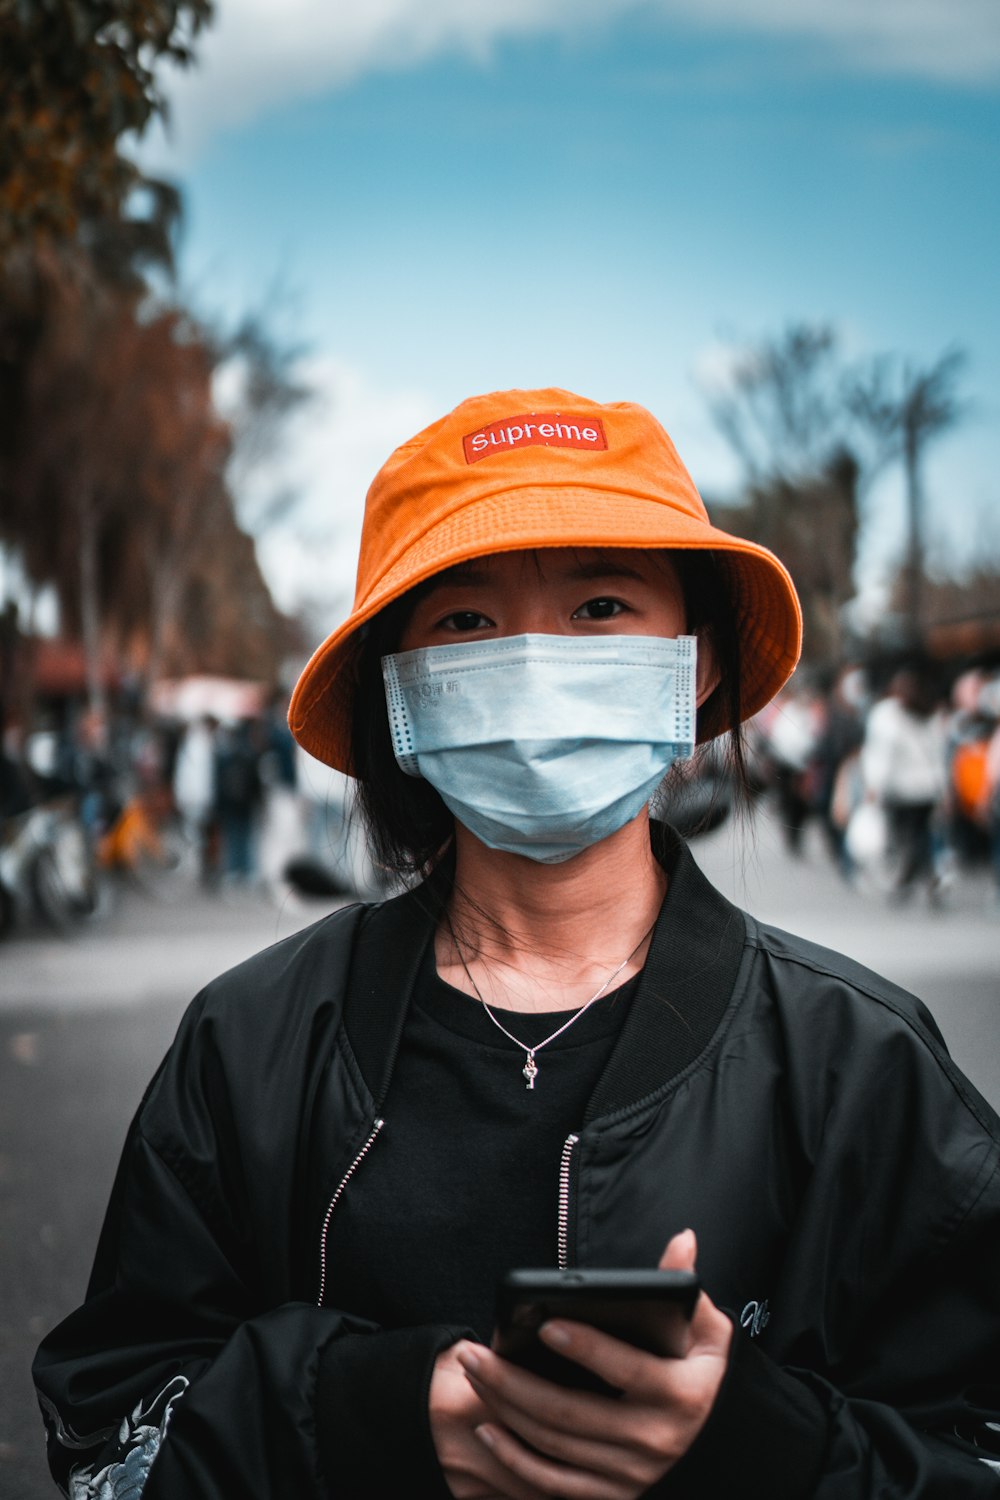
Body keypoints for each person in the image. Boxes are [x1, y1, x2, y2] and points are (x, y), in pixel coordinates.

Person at [33, 388, 1000, 1499]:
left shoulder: (857, 1063)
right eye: (466, 622)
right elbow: (112, 1434)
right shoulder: (249, 1044)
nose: (536, 665)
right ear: (397, 687)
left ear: (697, 665)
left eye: (598, 605)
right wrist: (356, 1416)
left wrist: (765, 1443)